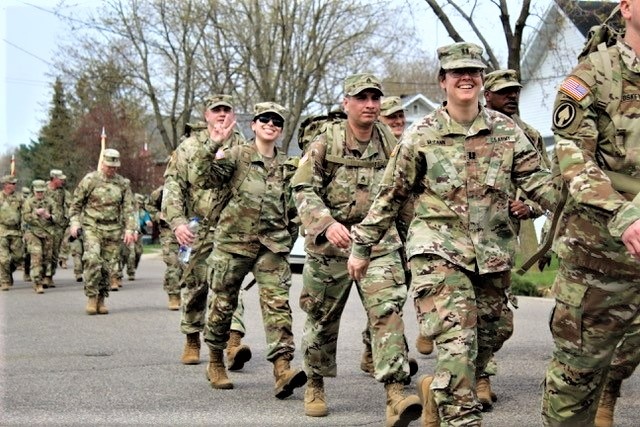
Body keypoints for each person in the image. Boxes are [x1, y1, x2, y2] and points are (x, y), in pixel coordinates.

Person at [346, 43, 556, 426]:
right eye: (457, 72)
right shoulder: (421, 135)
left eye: (473, 72)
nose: (466, 78)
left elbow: (540, 182)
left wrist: (582, 207)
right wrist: (362, 246)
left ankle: (436, 392)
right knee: (457, 339)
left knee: (493, 331)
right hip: (437, 250)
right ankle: (460, 416)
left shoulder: (506, 131)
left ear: (480, 80)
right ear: (442, 82)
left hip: (492, 253)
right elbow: (390, 194)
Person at [291, 73, 421, 426]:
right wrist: (325, 222)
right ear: (346, 103)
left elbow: (404, 194)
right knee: (320, 318)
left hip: (377, 241)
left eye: (375, 98)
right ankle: (315, 383)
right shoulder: (325, 141)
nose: (370, 105)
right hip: (330, 245)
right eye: (361, 98)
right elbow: (302, 188)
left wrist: (413, 243)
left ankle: (395, 391)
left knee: (387, 310)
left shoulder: (392, 142)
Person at [541, 1, 640, 425]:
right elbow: (572, 158)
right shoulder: (591, 76)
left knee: (624, 357)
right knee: (576, 380)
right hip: (604, 256)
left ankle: (609, 391)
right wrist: (625, 217)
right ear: (626, 8)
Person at [196, 102, 306, 398]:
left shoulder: (287, 166)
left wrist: (288, 238)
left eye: (277, 122)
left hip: (271, 246)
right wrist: (213, 145)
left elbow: (294, 208)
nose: (270, 124)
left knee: (278, 306)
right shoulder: (236, 156)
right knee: (223, 304)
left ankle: (282, 369)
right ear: (254, 125)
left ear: (281, 131)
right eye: (264, 119)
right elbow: (205, 177)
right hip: (233, 243)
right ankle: (216, 361)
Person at [162, 94, 252, 368]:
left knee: (231, 286)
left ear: (234, 115)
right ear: (207, 115)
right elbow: (173, 186)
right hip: (198, 228)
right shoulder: (188, 147)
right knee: (195, 285)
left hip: (232, 228)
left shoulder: (244, 146)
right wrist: (177, 222)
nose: (222, 115)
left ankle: (233, 343)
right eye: (217, 111)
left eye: (227, 110)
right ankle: (192, 338)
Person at [68, 148, 137, 315]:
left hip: (113, 229)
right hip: (92, 227)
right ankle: (91, 297)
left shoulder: (122, 184)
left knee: (107, 267)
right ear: (102, 164)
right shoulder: (90, 180)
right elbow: (75, 205)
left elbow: (129, 209)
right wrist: (75, 223)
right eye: (109, 166)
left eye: (115, 167)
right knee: (92, 259)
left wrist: (130, 229)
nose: (112, 170)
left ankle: (101, 299)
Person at [22, 179, 63, 294]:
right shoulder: (29, 202)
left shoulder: (50, 202)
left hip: (48, 233)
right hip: (33, 232)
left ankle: (46, 277)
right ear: (33, 191)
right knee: (37, 256)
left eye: (41, 191)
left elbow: (58, 218)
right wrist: (35, 214)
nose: (40, 194)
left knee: (46, 258)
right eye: (37, 191)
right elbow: (25, 217)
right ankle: (37, 283)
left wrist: (48, 216)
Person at [150, 185, 182, 310]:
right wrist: (159, 215)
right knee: (173, 263)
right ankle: (173, 295)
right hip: (169, 232)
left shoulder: (196, 188)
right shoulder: (161, 191)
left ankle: (188, 294)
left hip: (190, 231)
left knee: (188, 266)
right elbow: (149, 206)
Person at [45, 169, 69, 288]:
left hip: (58, 226)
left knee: (54, 252)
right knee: (45, 252)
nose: (62, 181)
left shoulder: (62, 191)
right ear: (54, 179)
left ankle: (50, 276)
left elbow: (71, 204)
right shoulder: (43, 190)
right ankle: (43, 275)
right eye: (60, 179)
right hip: (44, 226)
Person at [120, 193, 152, 281]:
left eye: (140, 203)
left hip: (138, 234)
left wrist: (148, 223)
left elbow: (147, 220)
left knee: (138, 252)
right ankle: (129, 272)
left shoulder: (142, 213)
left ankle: (133, 267)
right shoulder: (127, 211)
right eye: (137, 202)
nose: (138, 204)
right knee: (128, 253)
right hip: (127, 234)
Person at [0, 175, 23, 291]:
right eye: (12, 184)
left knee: (18, 257)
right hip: (2, 231)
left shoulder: (19, 197)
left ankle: (7, 272)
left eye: (15, 184)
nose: (14, 186)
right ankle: (4, 281)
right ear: (6, 185)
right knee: (3, 259)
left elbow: (26, 211)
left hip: (16, 231)